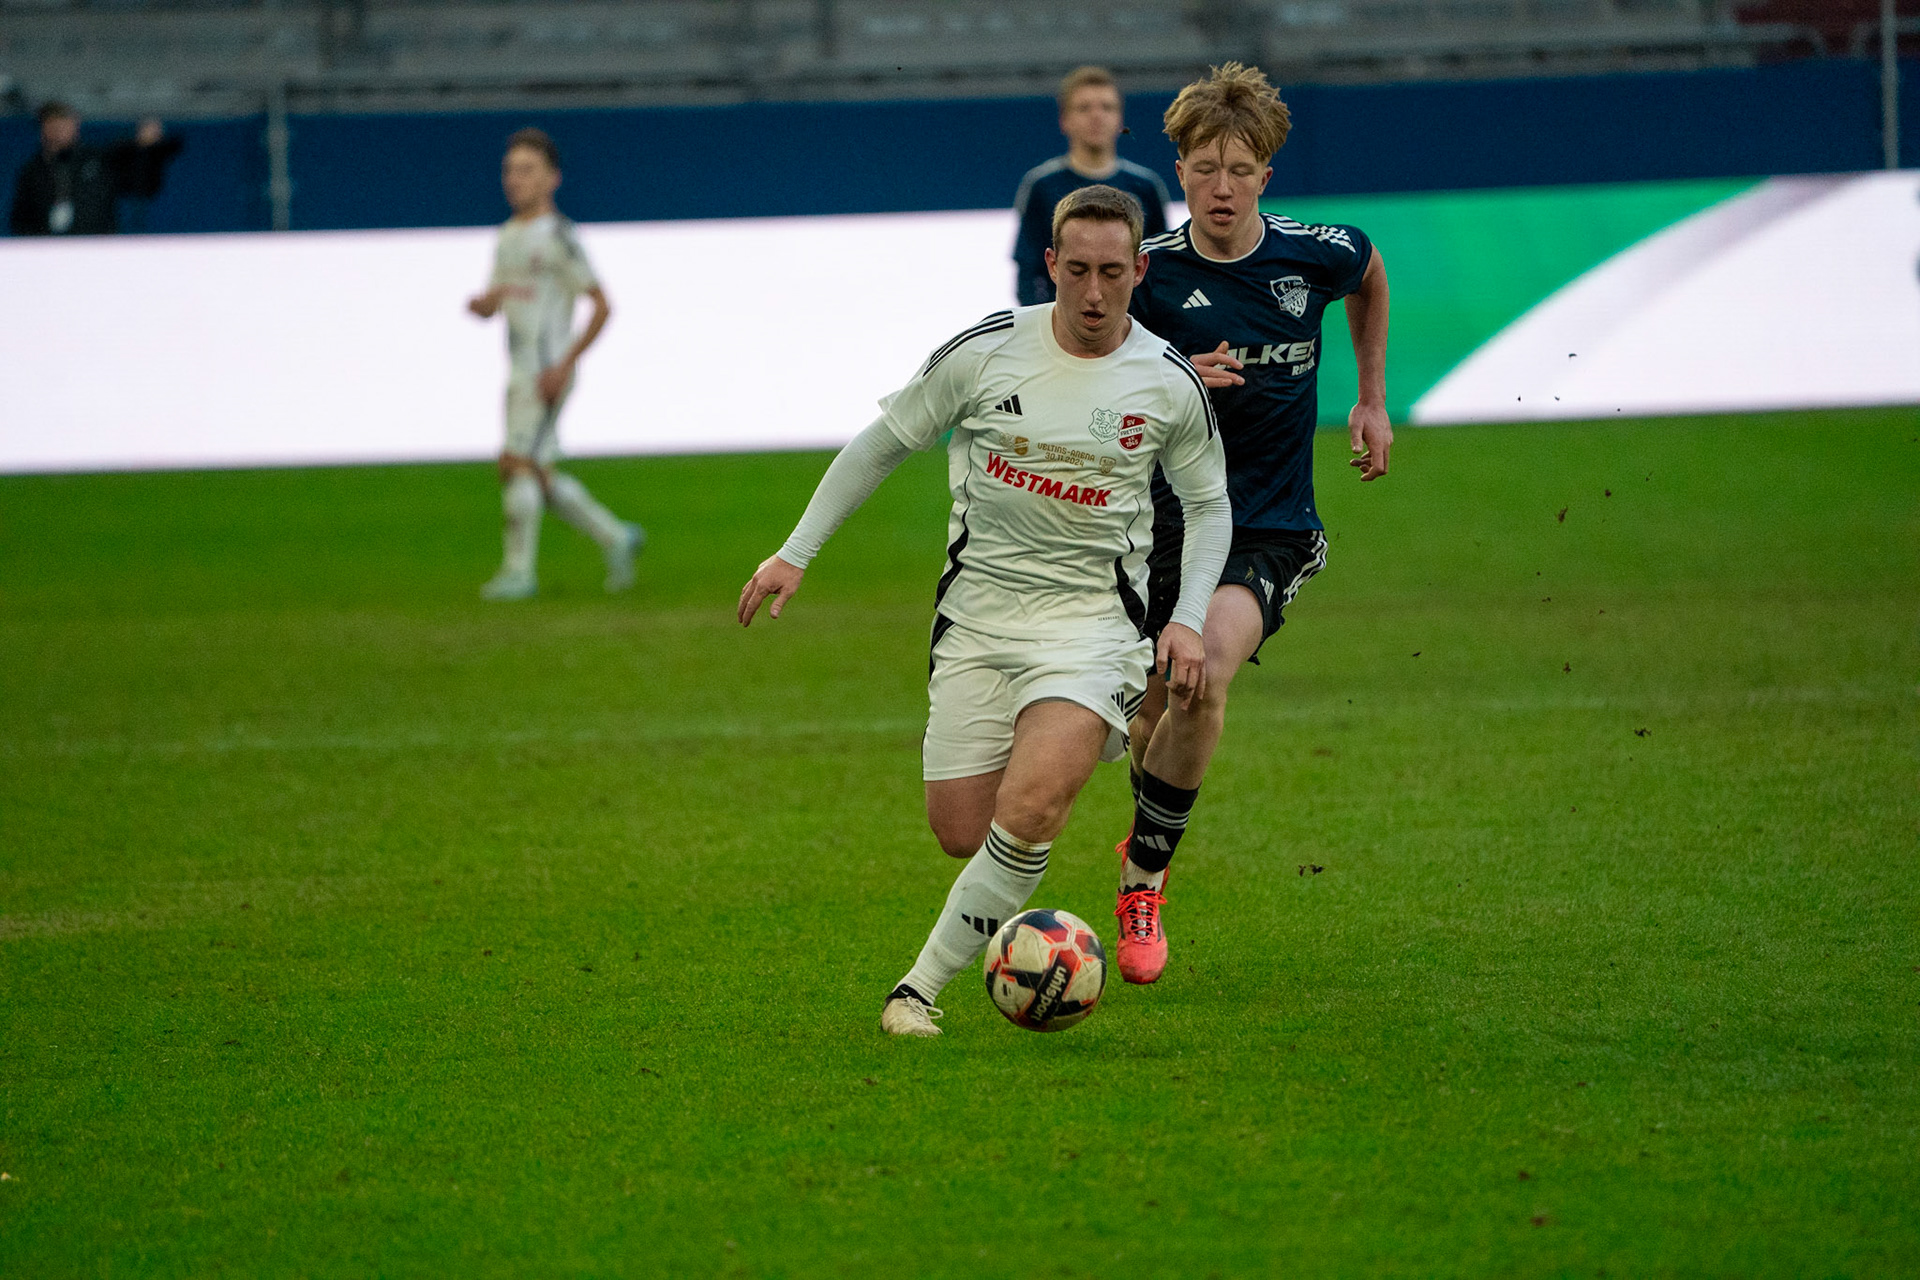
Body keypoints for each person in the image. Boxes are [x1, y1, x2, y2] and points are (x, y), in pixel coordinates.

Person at [737, 186, 1232, 1038]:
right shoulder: (986, 351)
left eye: (1113, 272)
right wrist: (796, 552)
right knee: (962, 831)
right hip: (978, 621)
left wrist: (1185, 618)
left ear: (1139, 272)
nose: (1094, 292)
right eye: (1077, 270)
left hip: (1092, 627)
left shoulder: (1167, 381)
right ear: (1050, 264)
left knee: (1032, 808)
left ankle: (915, 991)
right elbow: (884, 441)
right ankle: (1011, 874)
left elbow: (1210, 504)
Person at [1109, 62, 1393, 986]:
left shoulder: (1317, 253)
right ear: (1180, 173)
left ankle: (1142, 885)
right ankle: (1150, 821)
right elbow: (1099, 382)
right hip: (1162, 529)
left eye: (1239, 170)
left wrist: (1370, 397)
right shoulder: (1148, 275)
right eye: (1204, 169)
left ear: (1266, 174)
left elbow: (1370, 275)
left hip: (1270, 525)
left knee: (1200, 678)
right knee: (1154, 711)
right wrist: (1174, 378)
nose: (1222, 187)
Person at [465, 128, 644, 601]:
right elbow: (504, 297)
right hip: (519, 369)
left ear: (552, 178)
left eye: (527, 170)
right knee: (539, 474)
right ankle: (616, 537)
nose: (514, 179)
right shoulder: (508, 236)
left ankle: (518, 573)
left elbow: (601, 304)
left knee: (515, 464)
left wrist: (565, 363)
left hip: (546, 371)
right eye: (509, 170)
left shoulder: (560, 237)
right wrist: (485, 305)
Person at [1011, 66, 1170, 307]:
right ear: (1064, 120)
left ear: (1120, 119)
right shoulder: (1041, 186)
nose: (1097, 116)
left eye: (1107, 107)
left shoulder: (1146, 187)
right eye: (1084, 108)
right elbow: (1028, 270)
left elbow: (1161, 267)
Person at [9, 102, 183, 237]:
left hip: (98, 251)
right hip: (48, 253)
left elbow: (143, 186)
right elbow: (20, 219)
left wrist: (149, 151)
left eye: (66, 123)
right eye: (55, 124)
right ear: (44, 128)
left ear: (76, 125)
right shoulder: (32, 171)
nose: (61, 130)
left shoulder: (99, 160)